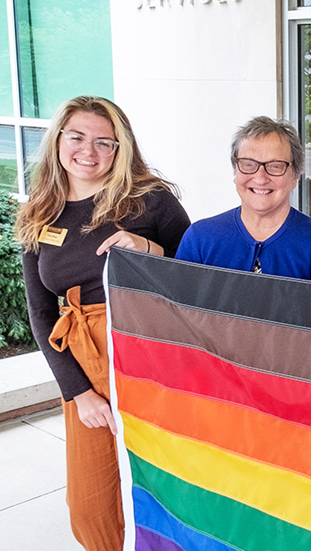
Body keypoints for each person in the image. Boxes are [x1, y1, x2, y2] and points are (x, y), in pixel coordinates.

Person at [15, 96, 191, 550]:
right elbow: (40, 312)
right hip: (85, 360)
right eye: (76, 137)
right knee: (92, 502)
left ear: (121, 148)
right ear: (58, 140)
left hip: (151, 355)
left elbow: (198, 276)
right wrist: (78, 392)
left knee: (163, 486)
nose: (88, 151)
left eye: (104, 142)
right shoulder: (39, 212)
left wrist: (147, 249)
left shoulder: (149, 200)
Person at [176, 116, 311, 284]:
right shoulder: (200, 239)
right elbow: (177, 313)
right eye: (248, 164)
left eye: (275, 166)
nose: (260, 178)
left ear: (294, 176)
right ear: (235, 173)